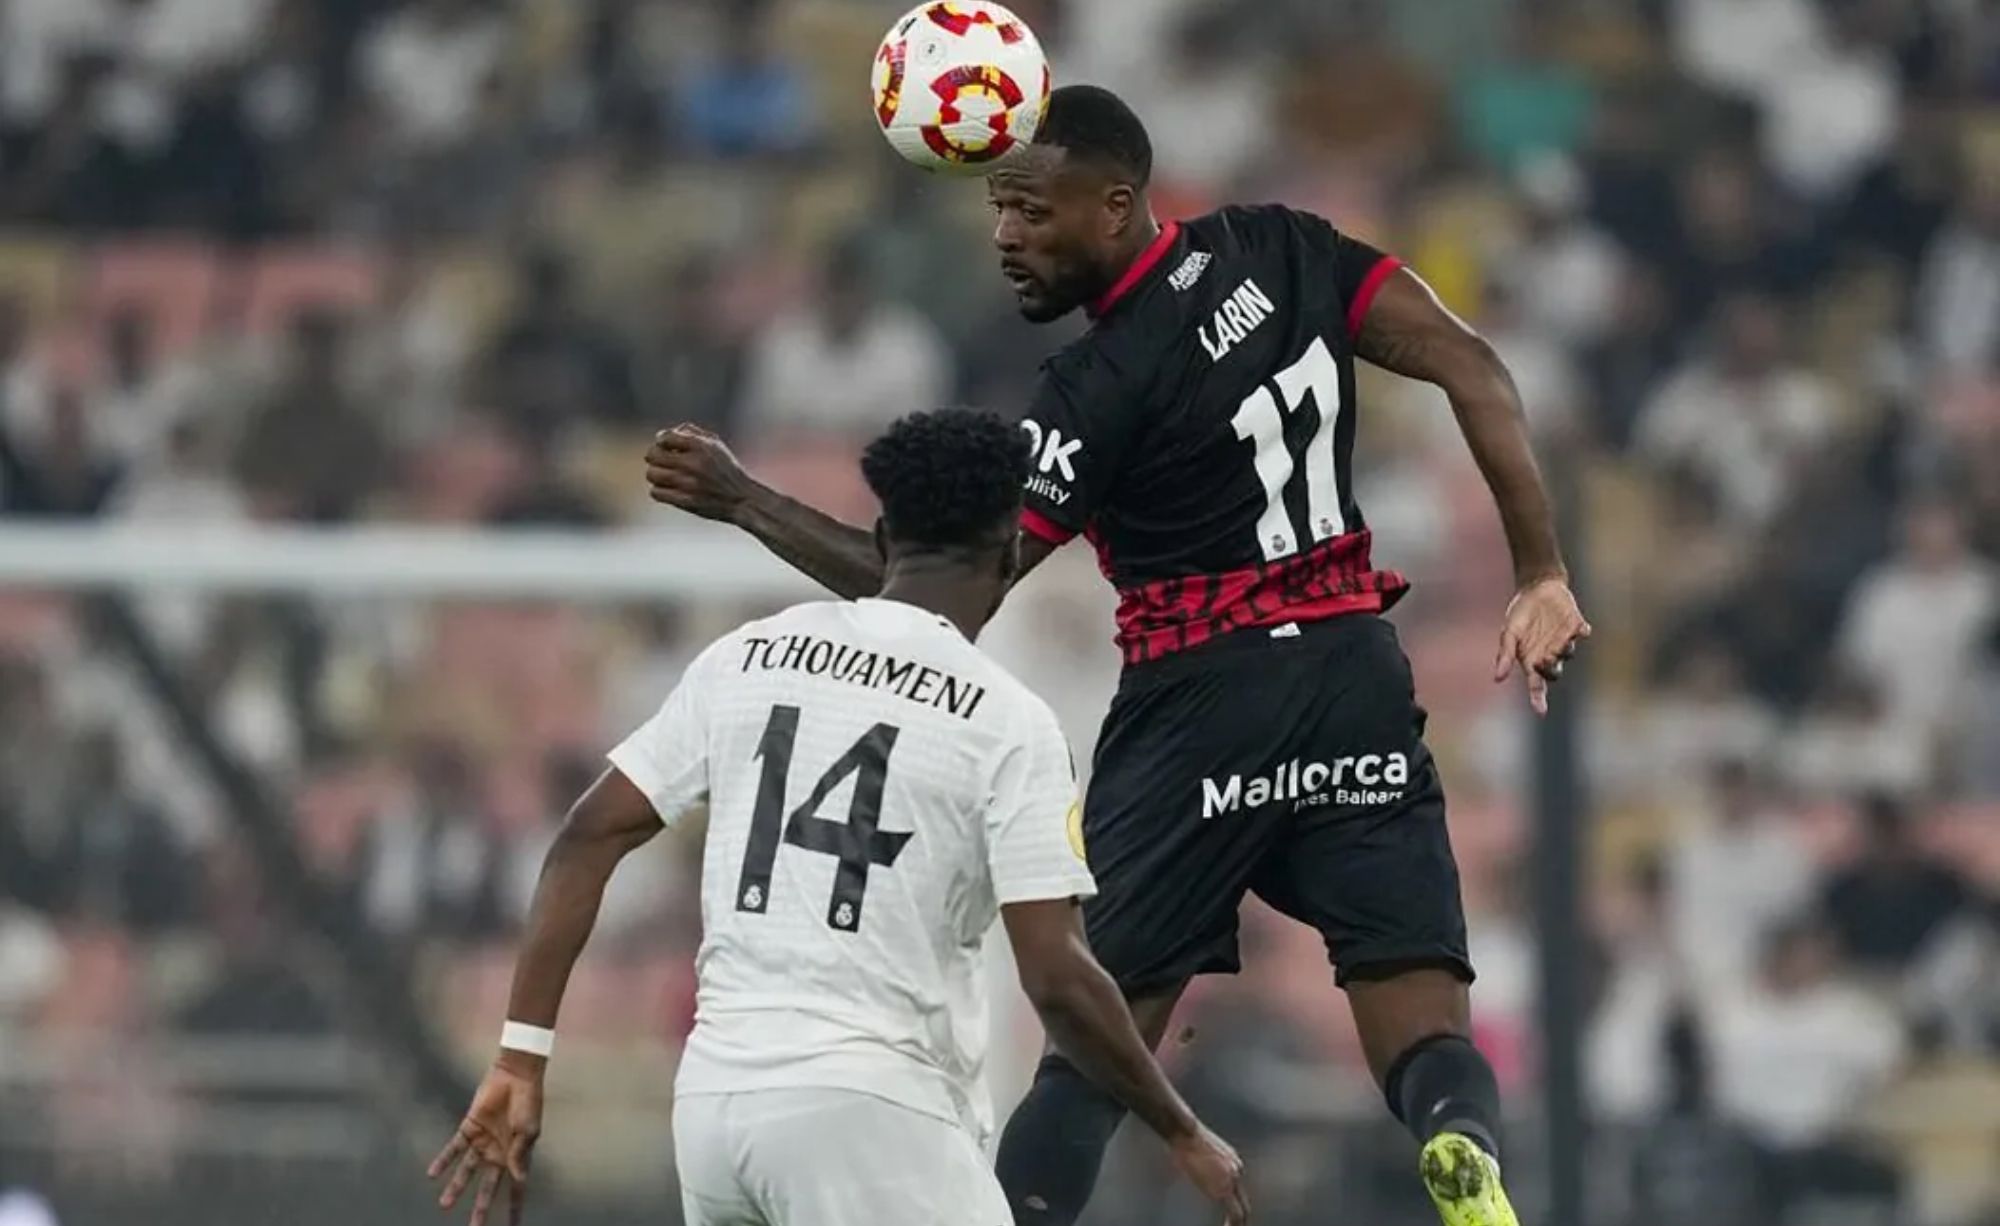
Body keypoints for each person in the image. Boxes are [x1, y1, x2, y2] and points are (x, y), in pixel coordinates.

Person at [645, 84, 1591, 1226]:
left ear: (1115, 203)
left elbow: (936, 588)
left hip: (1196, 703)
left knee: (1092, 1051)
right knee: (1421, 1021)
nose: (1006, 239)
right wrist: (1539, 569)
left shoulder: (1097, 388)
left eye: (1032, 214)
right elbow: (1474, 365)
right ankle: (1456, 1144)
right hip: (1349, 676)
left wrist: (744, 499)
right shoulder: (1283, 247)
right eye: (997, 211)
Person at [429, 409, 1248, 1226]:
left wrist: (521, 1057)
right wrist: (1179, 1126)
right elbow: (1056, 977)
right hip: (870, 1111)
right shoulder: (1007, 719)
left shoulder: (749, 654)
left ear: (884, 536)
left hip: (717, 1103)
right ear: (1009, 556)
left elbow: (584, 836)